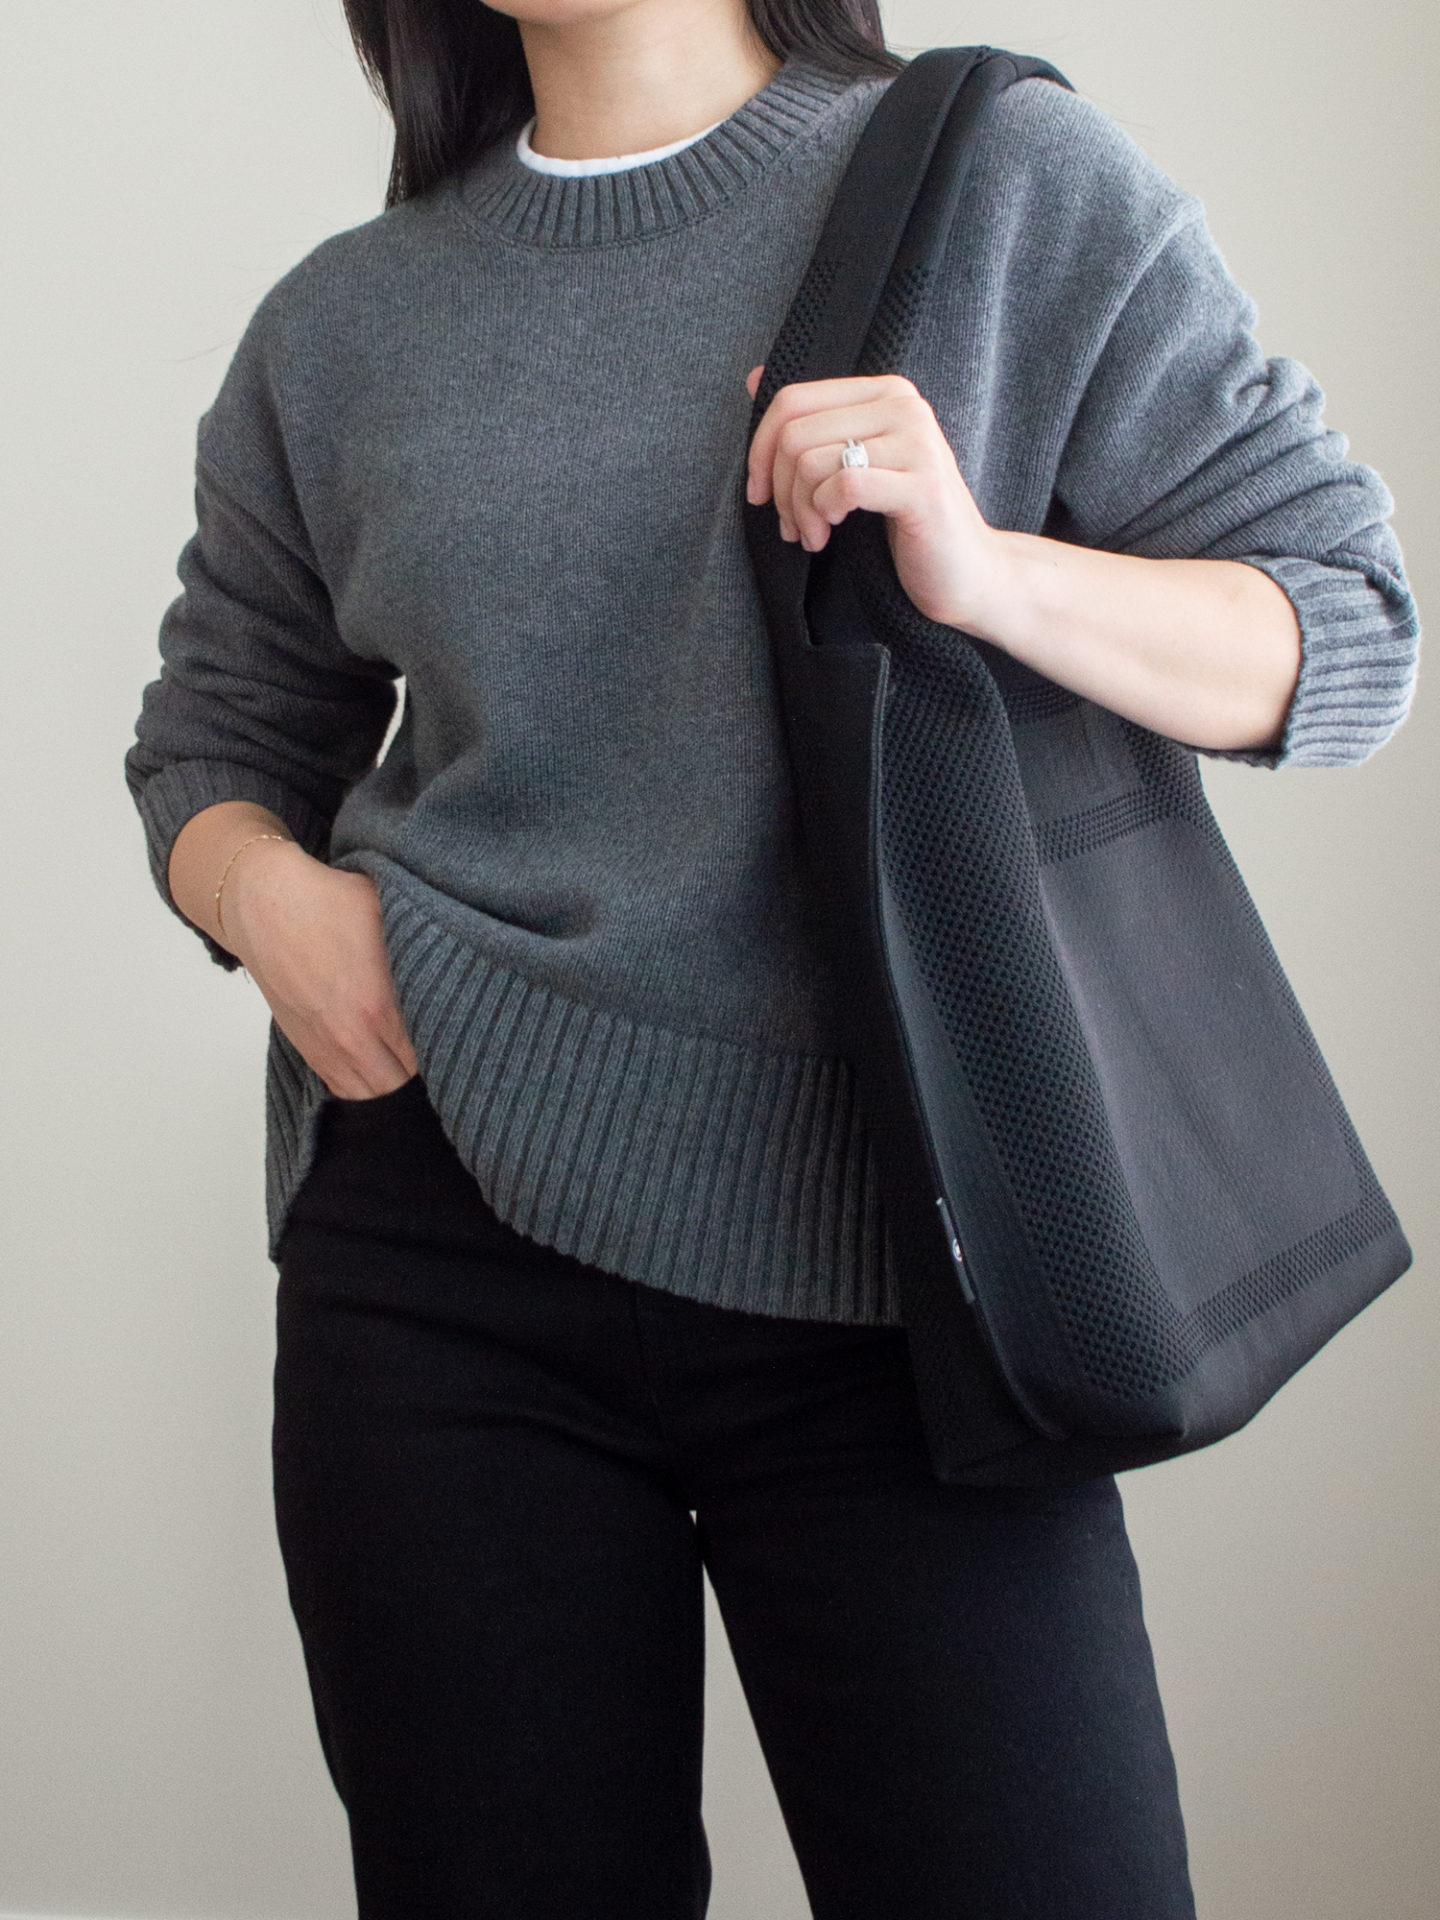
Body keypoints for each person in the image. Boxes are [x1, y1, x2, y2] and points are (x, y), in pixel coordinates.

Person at [125, 1, 1419, 1914]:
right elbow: (215, 735)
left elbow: (1348, 636)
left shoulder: (999, 188)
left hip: (902, 1276)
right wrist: (269, 903)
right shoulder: (343, 324)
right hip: (441, 1268)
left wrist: (982, 568)